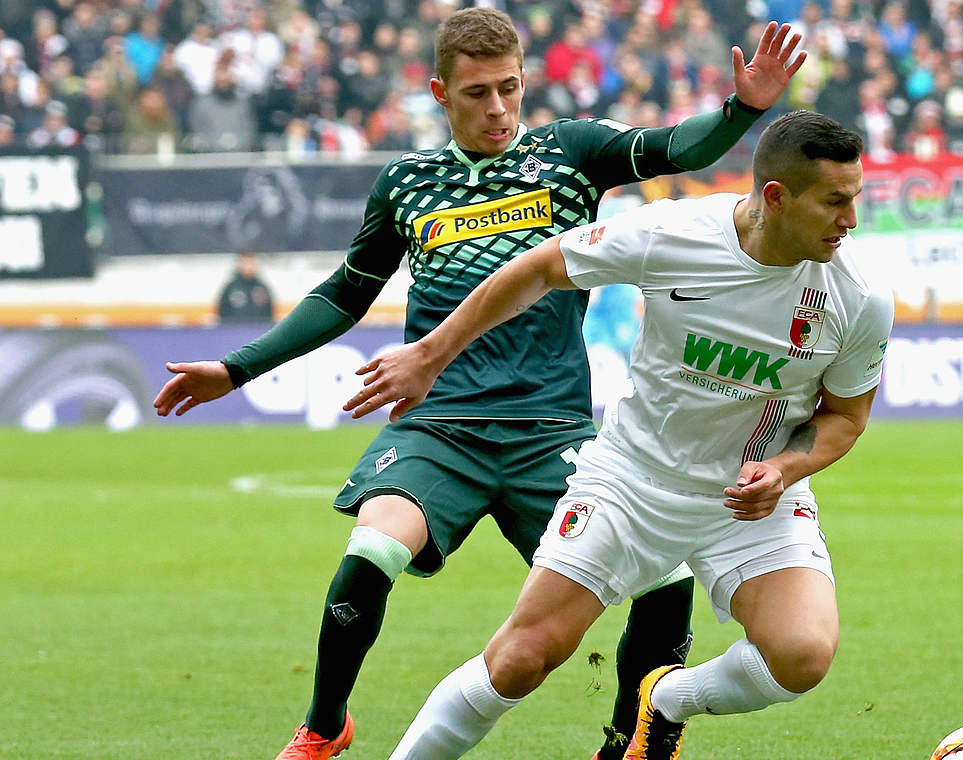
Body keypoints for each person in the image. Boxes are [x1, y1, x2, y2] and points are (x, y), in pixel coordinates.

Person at [151, 9, 806, 760]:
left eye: (509, 89)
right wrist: (236, 368)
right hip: (440, 424)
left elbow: (677, 148)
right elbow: (343, 294)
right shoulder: (407, 182)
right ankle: (325, 726)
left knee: (664, 580)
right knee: (374, 552)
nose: (497, 109)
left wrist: (746, 106)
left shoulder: (571, 152)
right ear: (440, 92)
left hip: (551, 431)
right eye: (476, 94)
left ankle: (634, 737)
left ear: (525, 82)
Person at [345, 110, 893, 760]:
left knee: (802, 656)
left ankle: (664, 701)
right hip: (632, 482)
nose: (851, 219)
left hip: (750, 501)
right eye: (835, 201)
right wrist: (433, 352)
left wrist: (787, 470)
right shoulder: (674, 232)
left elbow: (844, 419)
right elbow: (543, 266)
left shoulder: (859, 296)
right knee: (522, 658)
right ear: (776, 196)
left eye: (855, 198)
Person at [216, 252, 275, 323]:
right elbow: (222, 310)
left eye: (251, 263)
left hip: (258, 329)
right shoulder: (231, 287)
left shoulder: (262, 288)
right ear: (240, 265)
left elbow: (269, 312)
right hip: (235, 330)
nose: (249, 267)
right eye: (246, 263)